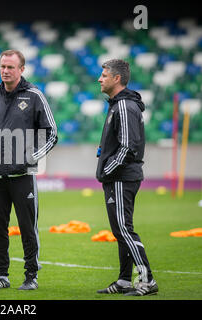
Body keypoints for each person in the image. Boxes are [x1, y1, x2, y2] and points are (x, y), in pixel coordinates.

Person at [0, 50, 58, 290]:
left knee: (27, 227)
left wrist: (29, 158)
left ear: (21, 69)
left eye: (10, 67)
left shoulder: (34, 96)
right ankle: (1, 275)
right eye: (2, 66)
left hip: (22, 176)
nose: (5, 71)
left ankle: (31, 276)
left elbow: (52, 133)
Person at [96, 59, 158, 296]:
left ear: (116, 78)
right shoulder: (117, 105)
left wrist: (107, 168)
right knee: (120, 230)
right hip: (118, 177)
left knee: (124, 228)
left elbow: (128, 147)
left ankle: (147, 280)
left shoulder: (123, 106)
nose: (100, 79)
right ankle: (124, 281)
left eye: (104, 75)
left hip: (122, 177)